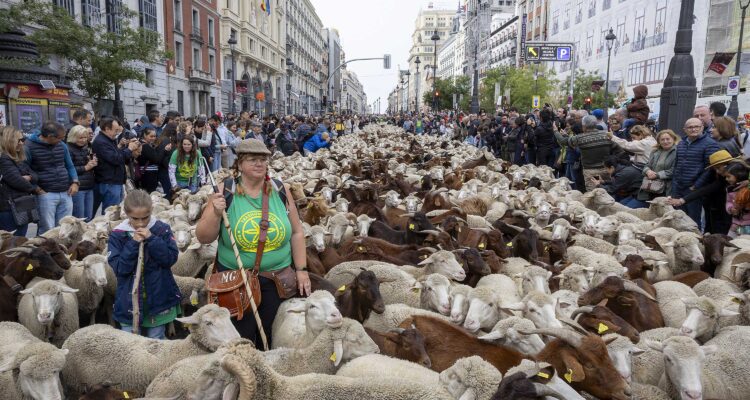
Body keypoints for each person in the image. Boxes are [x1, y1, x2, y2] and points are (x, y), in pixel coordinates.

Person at [194, 139, 310, 348]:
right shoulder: (225, 191)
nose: (259, 164)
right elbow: (204, 237)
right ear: (239, 164)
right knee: (241, 341)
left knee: (273, 339)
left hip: (277, 282)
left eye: (263, 159)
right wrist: (215, 213)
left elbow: (297, 232)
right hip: (236, 283)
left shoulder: (280, 190)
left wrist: (301, 270)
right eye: (252, 160)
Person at [108, 189, 180, 339]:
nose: (140, 223)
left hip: (157, 298)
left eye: (145, 218)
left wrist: (152, 239)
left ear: (151, 211)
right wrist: (133, 244)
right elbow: (120, 269)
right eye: (135, 219)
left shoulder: (161, 229)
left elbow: (169, 259)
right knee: (131, 343)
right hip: (128, 301)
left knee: (156, 340)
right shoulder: (118, 235)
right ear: (126, 214)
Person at [25, 121, 79, 234]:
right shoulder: (29, 146)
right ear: (50, 136)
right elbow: (25, 170)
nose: (62, 140)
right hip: (45, 194)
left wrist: (75, 182)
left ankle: (61, 251)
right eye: (60, 138)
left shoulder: (62, 145)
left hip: (66, 192)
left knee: (64, 229)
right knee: (47, 230)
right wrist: (37, 189)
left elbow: (70, 165)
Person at [669, 118, 721, 226]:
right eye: (690, 127)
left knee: (692, 220)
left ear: (702, 127)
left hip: (694, 188)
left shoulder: (710, 144)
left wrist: (697, 185)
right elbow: (677, 164)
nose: (693, 129)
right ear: (684, 129)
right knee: (678, 217)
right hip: (678, 186)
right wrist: (674, 182)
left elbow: (710, 168)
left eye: (696, 126)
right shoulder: (681, 143)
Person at [553, 115, 621, 191]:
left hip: (591, 172)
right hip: (607, 170)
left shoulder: (580, 138)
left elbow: (563, 141)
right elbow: (619, 150)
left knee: (594, 193)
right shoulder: (607, 135)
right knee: (607, 192)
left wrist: (555, 131)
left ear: (584, 126)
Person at [92, 117, 140, 216]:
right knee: (111, 214)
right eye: (116, 130)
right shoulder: (101, 141)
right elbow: (115, 159)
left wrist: (120, 146)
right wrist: (129, 149)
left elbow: (115, 154)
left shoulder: (110, 139)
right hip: (108, 182)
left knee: (114, 211)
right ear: (107, 129)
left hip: (114, 181)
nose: (117, 133)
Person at [0, 126, 39, 236]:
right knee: (12, 243)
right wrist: (35, 188)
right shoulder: (3, 158)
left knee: (19, 240)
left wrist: (29, 177)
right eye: (19, 140)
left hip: (20, 206)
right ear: (9, 141)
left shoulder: (17, 158)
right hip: (9, 208)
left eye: (23, 140)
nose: (22, 143)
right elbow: (17, 181)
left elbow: (35, 176)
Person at [67, 125, 97, 221]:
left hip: (89, 186)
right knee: (79, 219)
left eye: (85, 137)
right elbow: (68, 169)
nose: (83, 140)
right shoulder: (68, 149)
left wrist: (93, 162)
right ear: (73, 136)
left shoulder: (86, 148)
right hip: (78, 188)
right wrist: (86, 167)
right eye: (80, 138)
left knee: (89, 218)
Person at [724, 162, 750, 237]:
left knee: (745, 244)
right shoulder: (730, 189)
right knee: (730, 243)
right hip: (735, 224)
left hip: (748, 225)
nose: (726, 179)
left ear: (739, 175)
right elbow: (728, 201)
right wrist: (730, 208)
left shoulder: (748, 189)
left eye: (729, 177)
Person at [135, 128, 162, 193]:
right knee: (150, 194)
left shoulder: (143, 144)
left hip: (146, 174)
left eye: (154, 136)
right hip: (149, 175)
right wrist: (165, 150)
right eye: (151, 136)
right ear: (145, 135)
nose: (153, 138)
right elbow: (157, 159)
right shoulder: (145, 146)